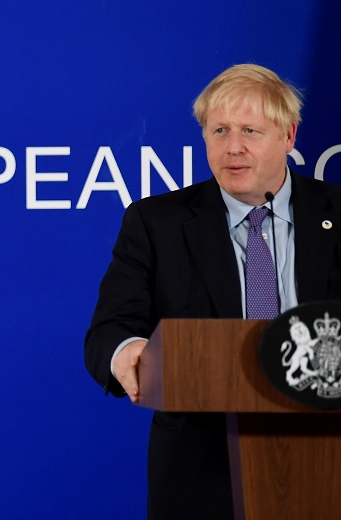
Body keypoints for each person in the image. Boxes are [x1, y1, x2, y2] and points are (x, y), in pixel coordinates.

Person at [84, 64, 341, 519]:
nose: (233, 147)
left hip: (328, 461)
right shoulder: (156, 223)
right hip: (198, 472)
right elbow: (111, 329)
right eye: (219, 130)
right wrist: (128, 353)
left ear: (289, 136)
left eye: (250, 131)